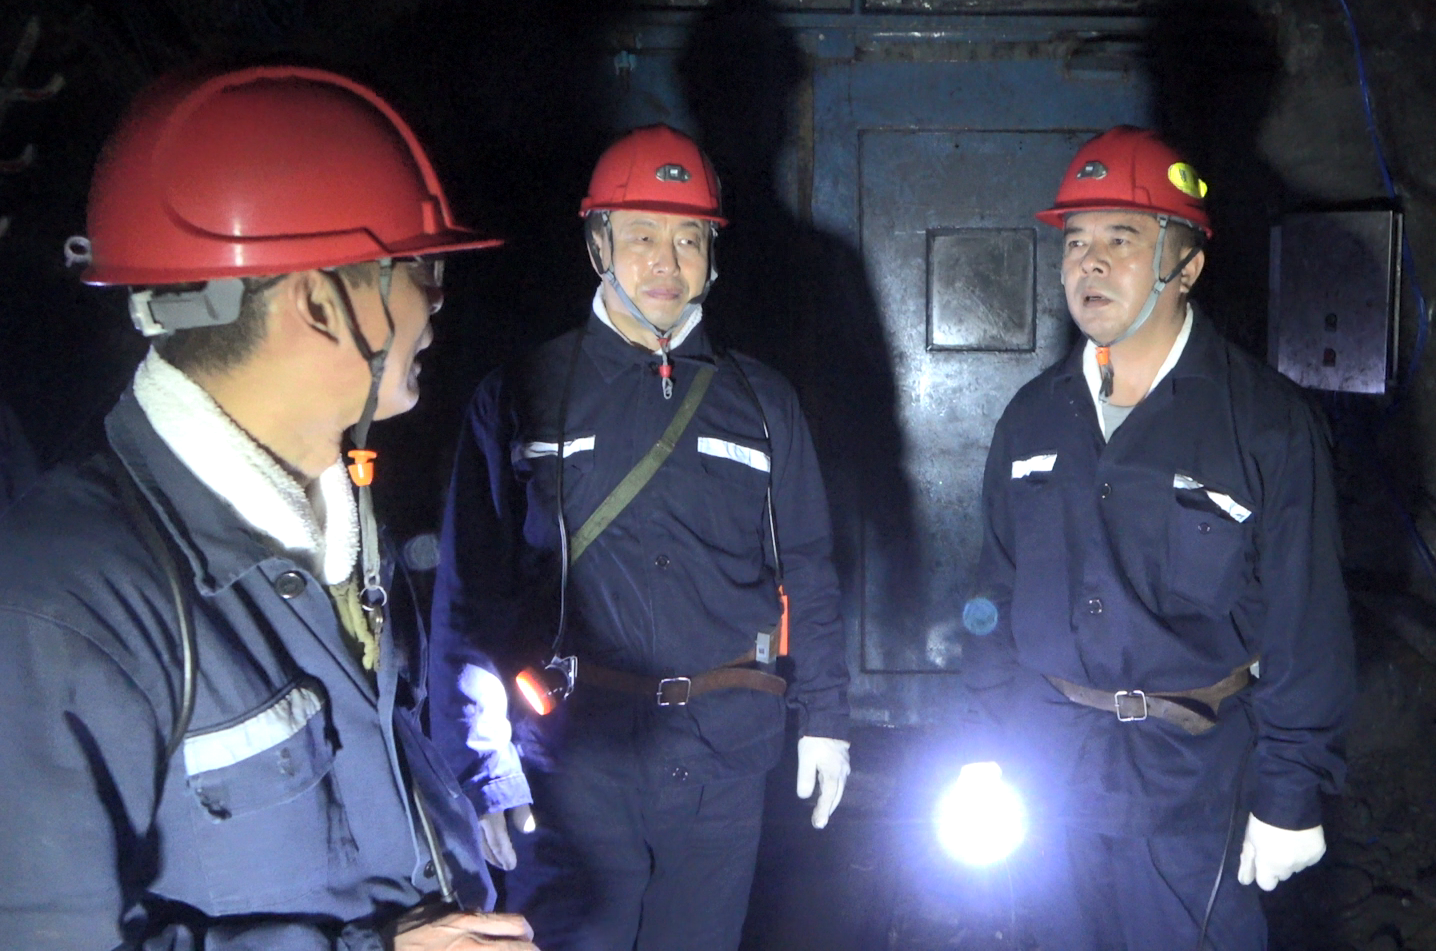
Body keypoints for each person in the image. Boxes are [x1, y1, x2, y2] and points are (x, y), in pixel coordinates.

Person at [0, 66, 533, 950]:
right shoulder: (62, 606)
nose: (438, 300)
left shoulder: (341, 518)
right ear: (320, 304)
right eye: (420, 267)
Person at [431, 125, 852, 951]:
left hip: (725, 759)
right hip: (574, 762)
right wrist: (483, 767)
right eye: (642, 236)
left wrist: (828, 720)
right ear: (598, 246)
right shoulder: (522, 393)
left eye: (689, 238)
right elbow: (470, 593)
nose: (667, 262)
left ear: (712, 254)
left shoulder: (763, 401)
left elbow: (809, 568)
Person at [962, 126, 1355, 950]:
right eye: (1076, 241)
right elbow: (992, 597)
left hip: (1196, 788)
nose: (1091, 264)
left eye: (1123, 239)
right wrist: (986, 737)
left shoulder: (1266, 426)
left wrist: (1289, 794)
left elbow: (1307, 622)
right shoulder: (1031, 419)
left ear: (1188, 266)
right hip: (1048, 775)